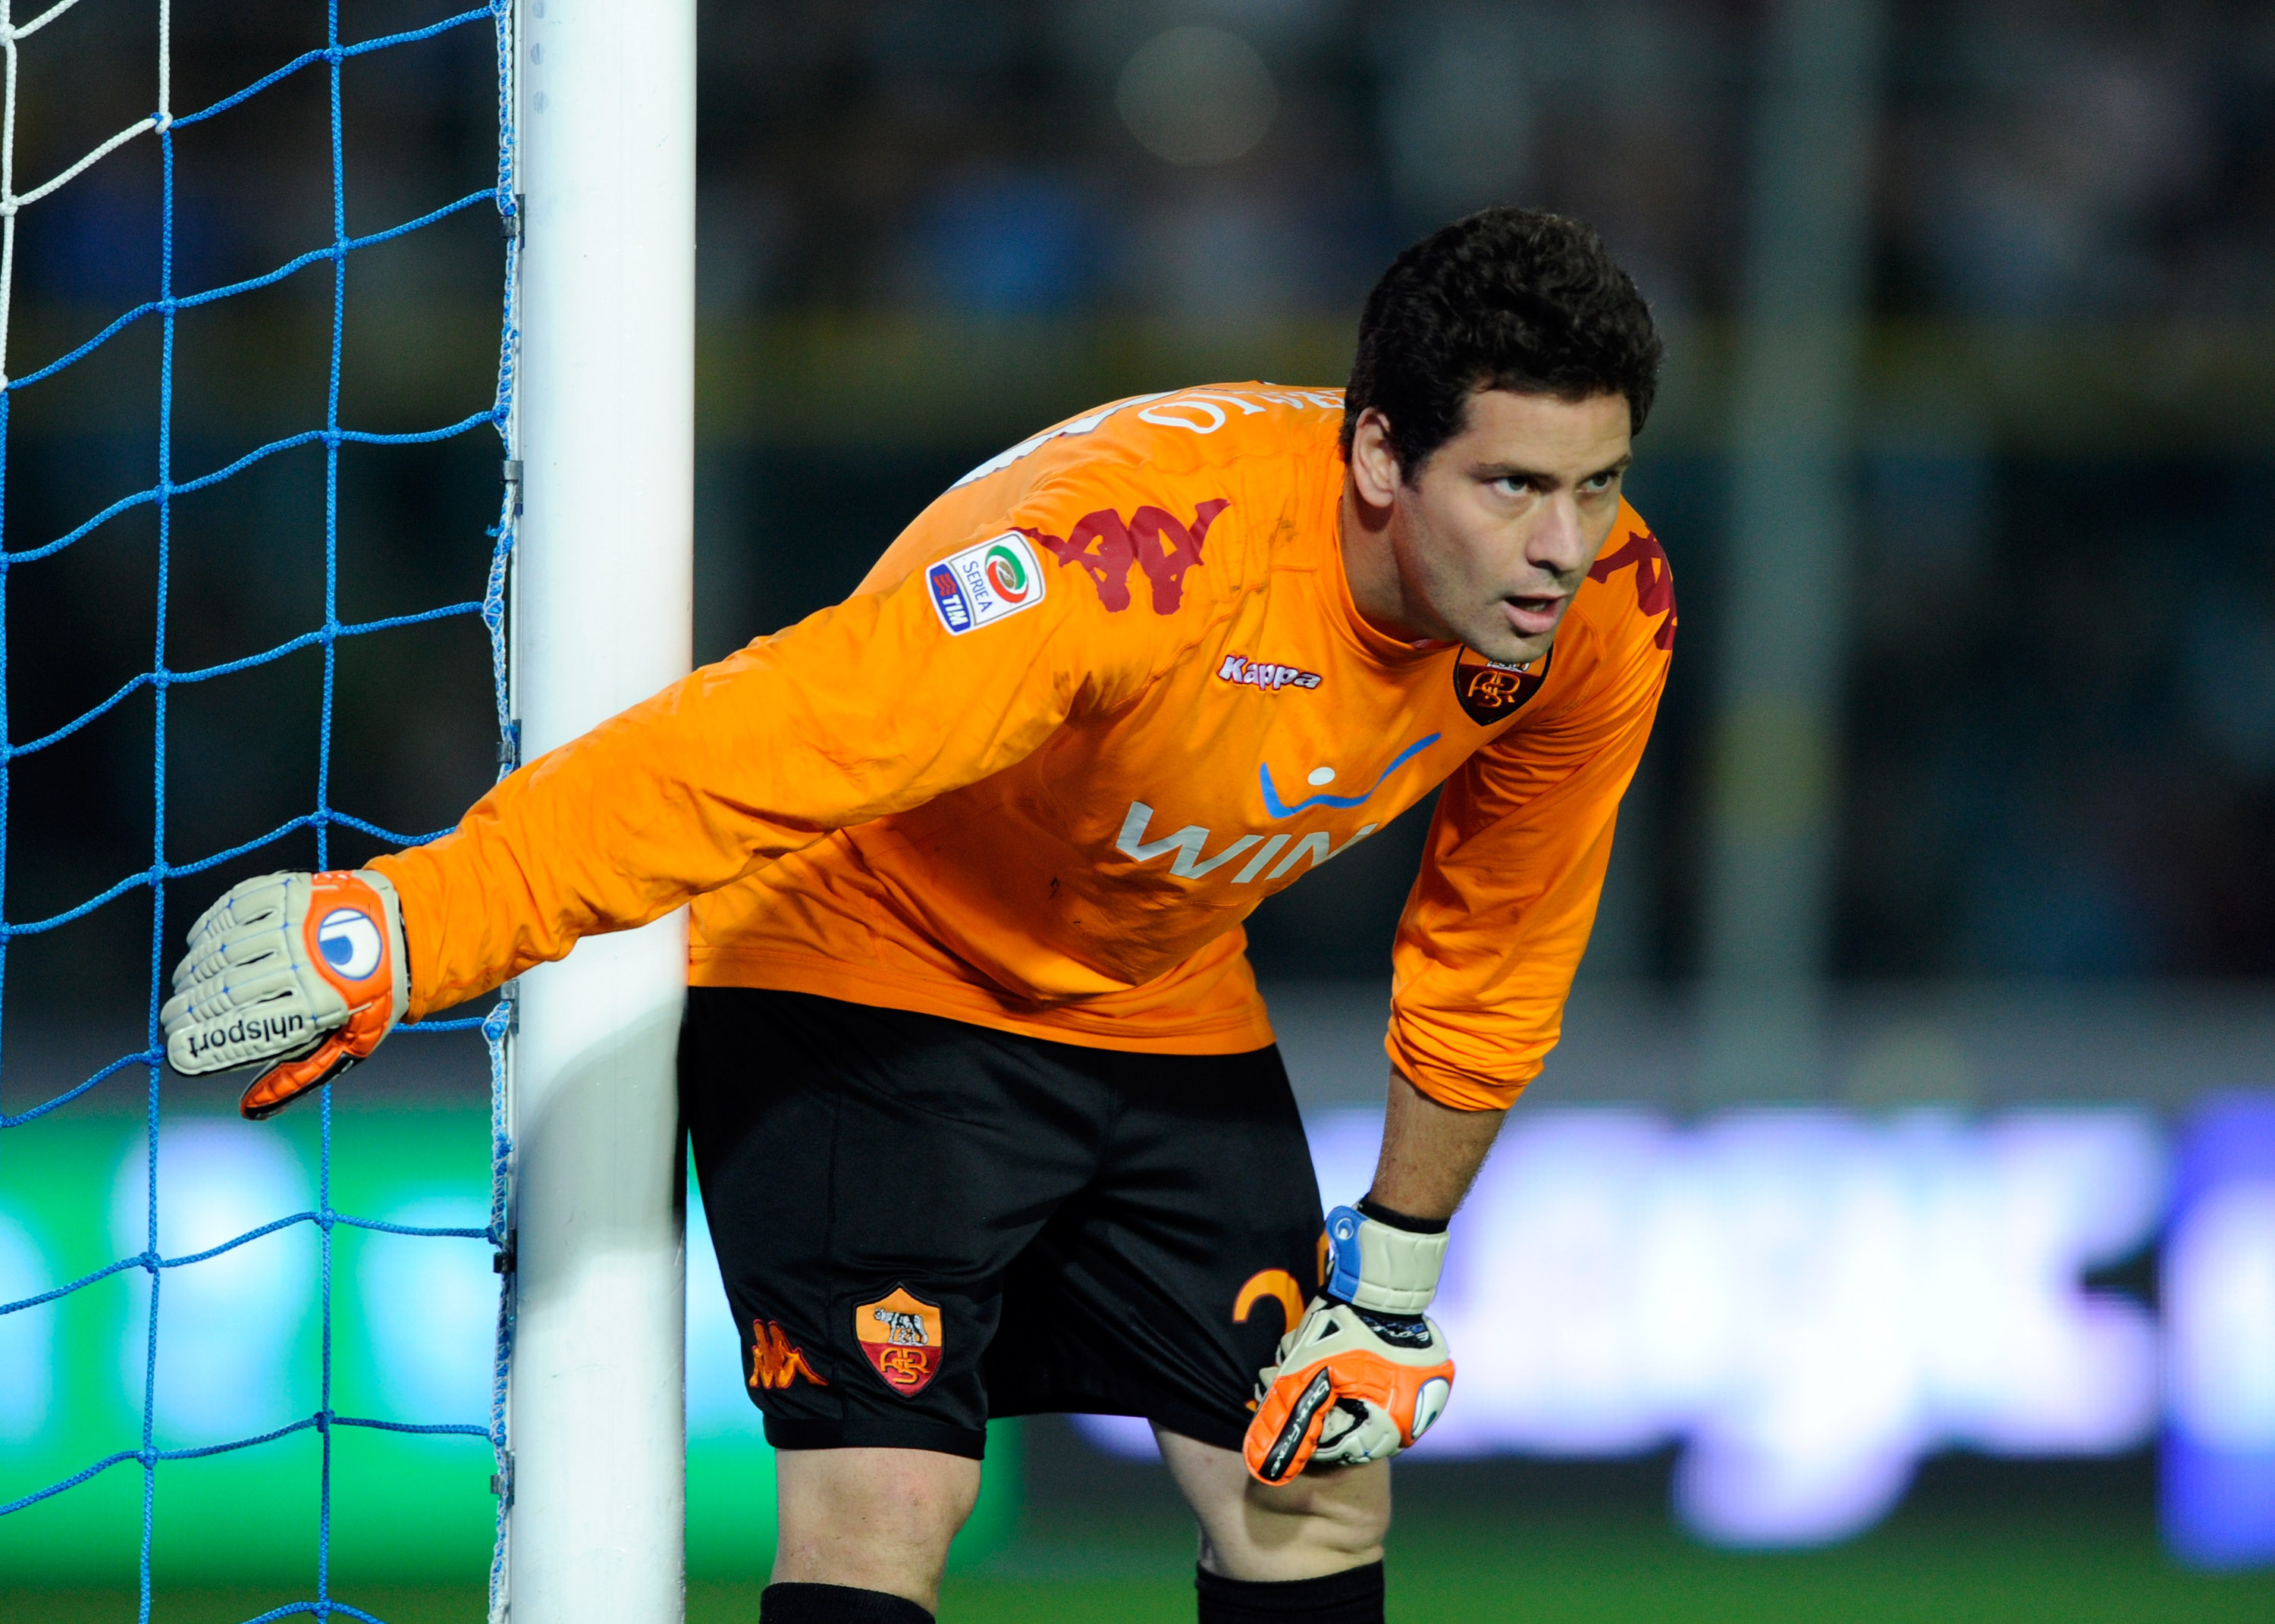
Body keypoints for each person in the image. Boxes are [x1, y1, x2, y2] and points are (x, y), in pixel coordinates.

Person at [162, 205, 1674, 1624]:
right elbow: (768, 745)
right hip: (865, 955)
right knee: (887, 1504)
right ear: (1377, 459)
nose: (1564, 543)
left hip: (1153, 988)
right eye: (1515, 487)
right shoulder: (1134, 562)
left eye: (1597, 484)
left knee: (1317, 1488)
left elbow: (1499, 937)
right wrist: (414, 921)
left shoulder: (1605, 613)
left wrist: (1394, 1289)